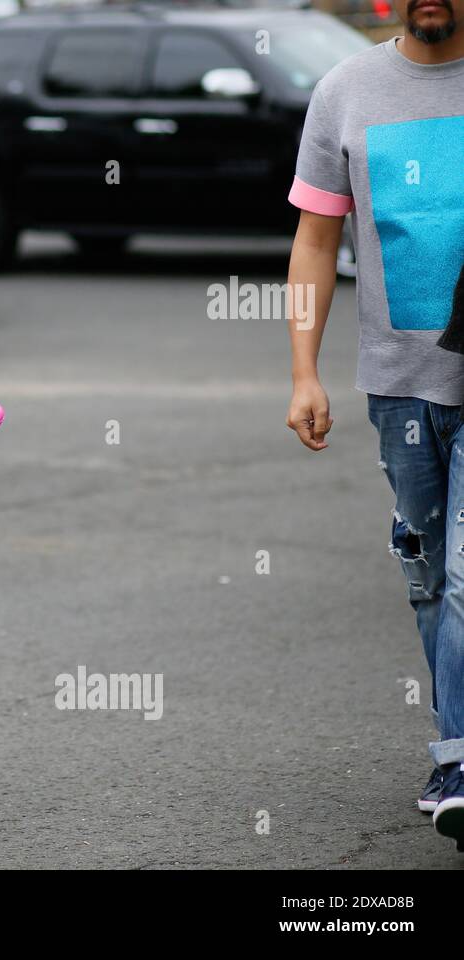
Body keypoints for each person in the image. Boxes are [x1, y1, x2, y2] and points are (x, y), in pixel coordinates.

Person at [284, 0, 464, 849]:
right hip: (399, 386)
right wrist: (303, 370)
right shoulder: (346, 90)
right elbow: (316, 238)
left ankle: (459, 757)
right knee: (429, 576)